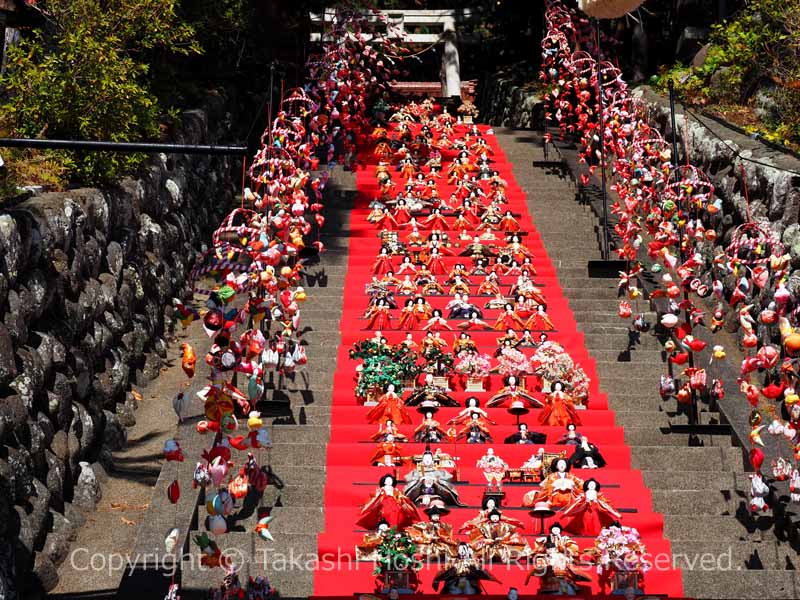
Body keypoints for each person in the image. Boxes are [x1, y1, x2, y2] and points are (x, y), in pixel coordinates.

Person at [356, 474, 421, 531]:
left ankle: (395, 528)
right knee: (388, 512)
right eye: (387, 480)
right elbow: (374, 497)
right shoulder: (381, 489)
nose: (389, 481)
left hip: (394, 502)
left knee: (398, 511)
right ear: (384, 481)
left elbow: (401, 497)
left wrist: (402, 500)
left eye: (391, 480)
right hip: (384, 502)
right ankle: (387, 527)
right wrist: (378, 495)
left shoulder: (395, 490)